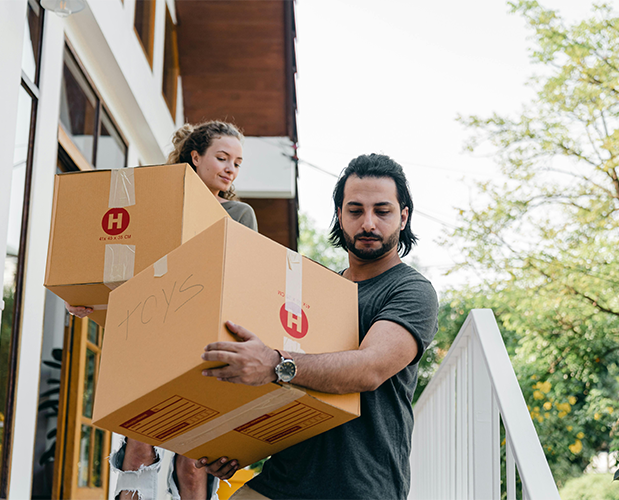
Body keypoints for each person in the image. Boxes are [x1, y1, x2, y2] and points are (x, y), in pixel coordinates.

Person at [196, 153, 439, 500]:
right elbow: (268, 374)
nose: (368, 223)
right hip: (283, 475)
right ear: (340, 216)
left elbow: (368, 369)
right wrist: (235, 443)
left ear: (403, 217)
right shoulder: (313, 289)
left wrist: (274, 363)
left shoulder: (411, 290)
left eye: (382, 211)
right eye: (355, 211)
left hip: (359, 486)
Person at [68, 120, 256, 500]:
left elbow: (243, 284)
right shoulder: (155, 207)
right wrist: (90, 296)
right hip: (147, 340)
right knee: (138, 450)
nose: (230, 168)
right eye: (221, 157)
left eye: (237, 162)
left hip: (204, 347)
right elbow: (129, 271)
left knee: (191, 464)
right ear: (195, 156)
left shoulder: (239, 214)